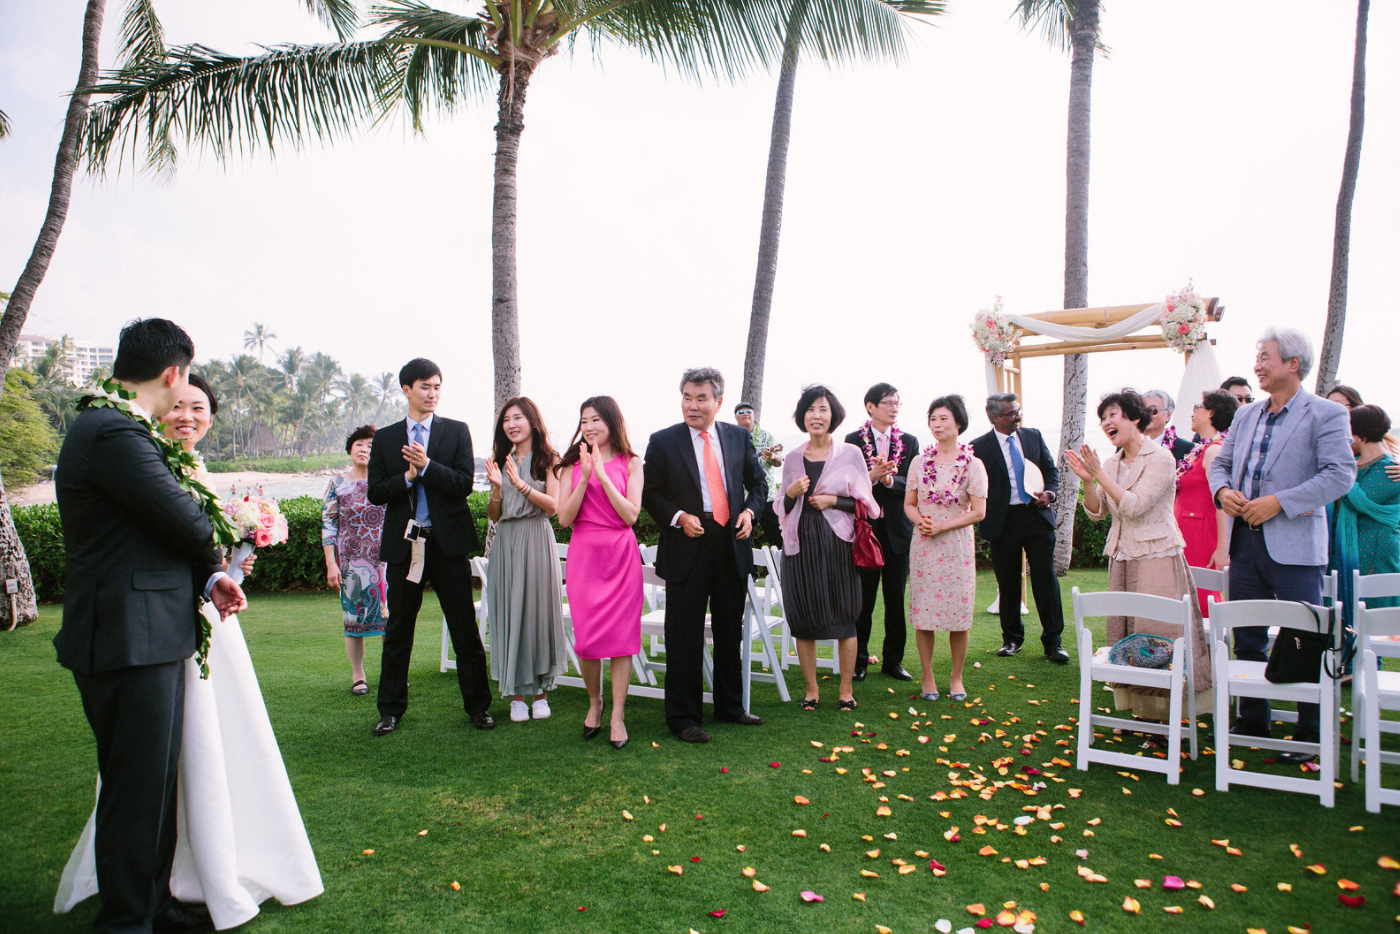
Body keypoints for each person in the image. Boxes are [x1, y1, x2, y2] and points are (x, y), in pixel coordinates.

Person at [52, 319, 247, 934]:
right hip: (125, 636)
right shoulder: (112, 432)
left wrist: (206, 577)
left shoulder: (116, 430)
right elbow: (186, 520)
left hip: (149, 631)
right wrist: (215, 544)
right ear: (173, 374)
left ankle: (152, 904)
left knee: (156, 783)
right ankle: (126, 921)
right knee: (134, 789)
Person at [1208, 327, 1356, 763]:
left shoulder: (1327, 414)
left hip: (1294, 545)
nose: (1257, 365)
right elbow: (1224, 465)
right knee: (1248, 635)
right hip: (1245, 546)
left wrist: (1281, 503)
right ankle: (1254, 717)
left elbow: (1339, 475)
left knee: (1303, 639)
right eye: (1257, 356)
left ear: (1292, 363)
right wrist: (1223, 493)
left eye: (1265, 356)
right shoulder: (1245, 413)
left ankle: (1310, 733)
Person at [1066, 389, 1212, 741]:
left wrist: (1098, 473)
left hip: (1157, 556)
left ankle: (1165, 718)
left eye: (1113, 414)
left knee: (1157, 633)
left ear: (1134, 418)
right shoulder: (1113, 463)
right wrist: (1089, 481)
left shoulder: (1160, 458)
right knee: (1127, 634)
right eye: (1103, 418)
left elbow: (1134, 505)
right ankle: (1137, 713)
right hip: (1123, 557)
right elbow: (1097, 511)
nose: (1106, 423)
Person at [368, 358, 492, 735]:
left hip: (447, 545)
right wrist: (406, 476)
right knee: (399, 629)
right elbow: (376, 492)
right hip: (406, 547)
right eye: (425, 387)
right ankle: (389, 710)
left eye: (437, 386)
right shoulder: (387, 438)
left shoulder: (456, 431)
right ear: (406, 390)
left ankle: (479, 708)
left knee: (464, 629)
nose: (432, 393)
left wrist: (426, 467)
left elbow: (463, 484)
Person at [642, 367, 768, 743]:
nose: (692, 406)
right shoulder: (663, 441)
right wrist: (679, 517)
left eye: (700, 398)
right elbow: (651, 493)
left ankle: (730, 707)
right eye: (686, 397)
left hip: (731, 542)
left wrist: (750, 512)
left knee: (730, 631)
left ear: (719, 402)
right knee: (684, 634)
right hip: (687, 544)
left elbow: (758, 483)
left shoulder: (738, 437)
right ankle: (683, 718)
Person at [777, 386, 876, 711]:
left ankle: (846, 691)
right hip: (800, 545)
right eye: (810, 410)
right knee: (803, 616)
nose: (816, 416)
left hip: (839, 544)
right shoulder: (792, 458)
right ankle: (811, 690)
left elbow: (866, 503)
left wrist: (834, 500)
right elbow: (782, 505)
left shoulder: (850, 454)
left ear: (833, 414)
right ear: (802, 416)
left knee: (845, 615)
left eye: (822, 409)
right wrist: (791, 492)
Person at [558, 397, 644, 748]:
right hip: (584, 557)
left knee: (622, 642)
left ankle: (618, 714)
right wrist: (584, 479)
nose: (590, 426)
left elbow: (630, 515)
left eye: (596, 419)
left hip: (621, 556)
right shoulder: (568, 467)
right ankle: (595, 701)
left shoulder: (633, 463)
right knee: (587, 641)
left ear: (611, 422)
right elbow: (564, 519)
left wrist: (605, 478)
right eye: (584, 420)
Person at [484, 397, 568, 724]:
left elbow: (553, 506)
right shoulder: (499, 460)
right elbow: (494, 514)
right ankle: (516, 696)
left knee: (538, 612)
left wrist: (519, 484)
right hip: (506, 541)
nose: (511, 424)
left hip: (536, 537)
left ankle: (542, 692)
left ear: (532, 421)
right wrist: (496, 489)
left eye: (517, 417)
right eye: (506, 419)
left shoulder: (549, 459)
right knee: (508, 613)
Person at [970, 393, 1069, 662]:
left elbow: (1051, 471)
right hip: (1003, 521)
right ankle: (1012, 639)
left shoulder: (1033, 436)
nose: (1017, 417)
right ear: (994, 417)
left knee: (1045, 579)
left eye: (1018, 411)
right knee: (1008, 581)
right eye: (1011, 413)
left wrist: (1050, 493)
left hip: (1037, 517)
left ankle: (1054, 641)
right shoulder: (978, 447)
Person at [905, 395, 988, 702]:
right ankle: (927, 677)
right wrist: (921, 522)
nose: (937, 424)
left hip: (956, 546)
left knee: (958, 614)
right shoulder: (919, 461)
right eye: (933, 419)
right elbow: (909, 504)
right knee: (924, 614)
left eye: (944, 419)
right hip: (924, 545)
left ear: (959, 424)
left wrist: (942, 526)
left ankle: (956, 677)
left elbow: (978, 512)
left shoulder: (973, 464)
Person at [845, 383, 919, 681]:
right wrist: (870, 476)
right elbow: (846, 483)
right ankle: (859, 660)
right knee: (863, 600)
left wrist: (888, 481)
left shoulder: (910, 441)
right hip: (864, 530)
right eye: (887, 402)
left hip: (898, 530)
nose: (893, 407)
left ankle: (893, 661)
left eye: (897, 403)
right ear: (870, 406)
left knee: (895, 600)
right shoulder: (852, 441)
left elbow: (913, 483)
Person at [322, 425, 388, 695]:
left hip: (386, 562)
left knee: (391, 618)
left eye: (371, 445)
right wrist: (331, 563)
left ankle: (392, 672)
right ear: (350, 449)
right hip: (350, 565)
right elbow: (328, 524)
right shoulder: (338, 484)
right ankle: (358, 675)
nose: (365, 449)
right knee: (353, 620)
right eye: (359, 444)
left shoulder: (386, 482)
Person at [1329, 404, 1400, 652]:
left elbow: (1355, 499)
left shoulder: (1390, 469)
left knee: (1373, 610)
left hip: (1376, 550)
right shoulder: (1355, 464)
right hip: (1348, 547)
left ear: (1357, 435)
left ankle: (1371, 669)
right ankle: (1347, 665)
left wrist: (1336, 471)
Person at [1174, 390, 1238, 615]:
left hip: (1200, 534)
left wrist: (1222, 549)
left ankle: (1208, 647)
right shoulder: (1201, 449)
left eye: (1197, 407)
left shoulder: (1214, 451)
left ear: (1211, 412)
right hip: (1188, 533)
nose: (1192, 413)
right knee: (1186, 596)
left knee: (1202, 597)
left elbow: (1222, 501)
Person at [734, 401, 784, 548]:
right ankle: (750, 571)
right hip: (741, 496)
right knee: (741, 536)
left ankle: (784, 568)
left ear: (753, 415)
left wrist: (772, 457)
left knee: (779, 536)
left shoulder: (766, 436)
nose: (745, 414)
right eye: (741, 412)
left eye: (748, 411)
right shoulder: (732, 438)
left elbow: (779, 460)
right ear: (736, 417)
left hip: (766, 495)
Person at [1143, 389, 1195, 463]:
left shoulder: (1185, 449)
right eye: (1143, 411)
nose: (1146, 415)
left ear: (1168, 415)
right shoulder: (1126, 446)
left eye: (1152, 411)